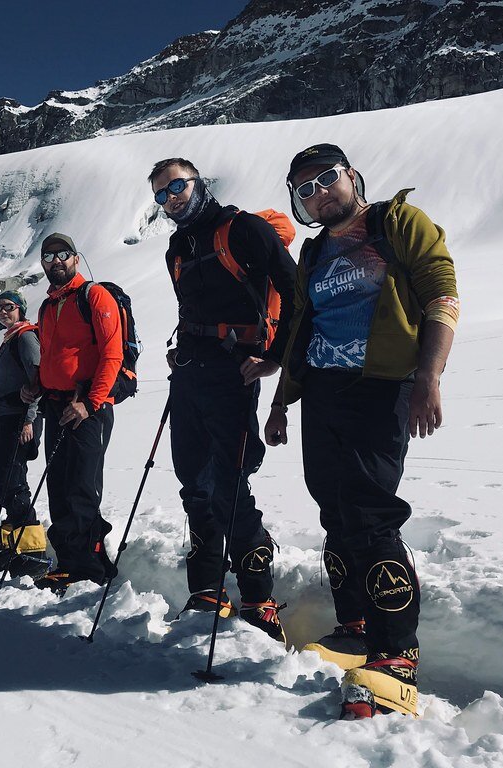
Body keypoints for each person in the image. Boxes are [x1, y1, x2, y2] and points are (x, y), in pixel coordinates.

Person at [266, 143, 460, 718]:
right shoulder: (316, 251)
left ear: (351, 176)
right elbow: (302, 326)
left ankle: (397, 655)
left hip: (383, 386)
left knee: (371, 512)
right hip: (322, 390)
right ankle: (354, 626)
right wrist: (281, 402)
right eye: (305, 188)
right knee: (333, 506)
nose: (318, 192)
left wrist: (429, 376)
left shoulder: (397, 222)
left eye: (326, 179)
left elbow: (441, 293)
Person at [149, 157, 297, 640]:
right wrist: (181, 354)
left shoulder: (244, 229)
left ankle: (259, 600)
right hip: (190, 370)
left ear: (198, 183)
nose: (170, 199)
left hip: (234, 371)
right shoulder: (177, 246)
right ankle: (208, 591)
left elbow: (296, 293)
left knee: (230, 483)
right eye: (160, 194)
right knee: (192, 480)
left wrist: (274, 357)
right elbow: (190, 307)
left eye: (176, 186)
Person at [21, 233, 123, 593]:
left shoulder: (93, 296)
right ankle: (68, 563)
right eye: (49, 257)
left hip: (88, 406)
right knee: (59, 486)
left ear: (76, 259)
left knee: (82, 486)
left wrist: (90, 403)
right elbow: (52, 354)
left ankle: (88, 568)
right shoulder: (47, 307)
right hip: (56, 405)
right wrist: (36, 383)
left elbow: (113, 356)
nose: (56, 261)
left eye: (63, 255)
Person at [0, 289, 48, 577]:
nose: (3, 311)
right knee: (5, 484)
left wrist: (29, 420)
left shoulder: (26, 337)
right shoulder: (9, 339)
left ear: (20, 308)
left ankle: (33, 551)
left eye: (9, 306)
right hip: (5, 417)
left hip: (20, 419)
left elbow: (37, 379)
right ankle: (14, 545)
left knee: (13, 482)